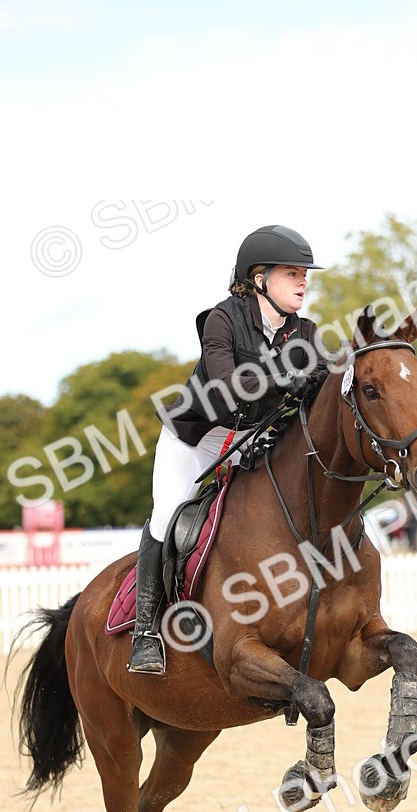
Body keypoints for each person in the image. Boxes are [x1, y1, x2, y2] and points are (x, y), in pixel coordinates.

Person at [127, 224, 329, 674]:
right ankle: (145, 634)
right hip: (195, 437)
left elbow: (325, 384)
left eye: (304, 275)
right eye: (292, 273)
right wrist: (287, 379)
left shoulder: (305, 331)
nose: (303, 283)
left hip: (251, 439)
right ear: (259, 278)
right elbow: (224, 384)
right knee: (167, 516)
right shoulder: (222, 319)